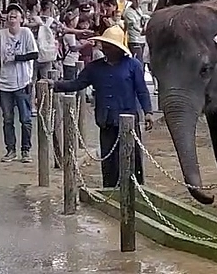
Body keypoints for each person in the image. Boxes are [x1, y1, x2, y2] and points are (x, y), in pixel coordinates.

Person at [49, 26, 154, 188]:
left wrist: (148, 112)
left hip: (128, 121)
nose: (105, 48)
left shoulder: (133, 65)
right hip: (106, 120)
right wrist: (55, 85)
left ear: (118, 48)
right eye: (105, 45)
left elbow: (142, 90)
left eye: (110, 46)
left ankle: (135, 189)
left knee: (132, 158)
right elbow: (77, 84)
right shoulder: (94, 67)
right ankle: (110, 189)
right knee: (108, 159)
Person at [0, 3, 38, 163]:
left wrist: (16, 58)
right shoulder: (1, 35)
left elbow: (34, 54)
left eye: (15, 14)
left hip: (23, 81)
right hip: (5, 82)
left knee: (25, 118)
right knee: (7, 118)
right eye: (10, 14)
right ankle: (10, 150)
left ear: (21, 19)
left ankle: (26, 150)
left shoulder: (26, 33)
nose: (12, 16)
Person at [122, 0, 149, 64]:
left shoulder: (139, 9)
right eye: (135, 0)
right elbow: (133, 25)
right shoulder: (128, 12)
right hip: (134, 40)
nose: (137, 1)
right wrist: (142, 30)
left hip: (142, 39)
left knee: (143, 61)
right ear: (132, 0)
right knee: (138, 61)